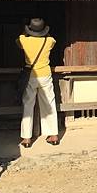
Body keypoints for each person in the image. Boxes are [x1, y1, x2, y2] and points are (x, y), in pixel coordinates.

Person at [16, 18, 59, 147]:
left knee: (28, 105)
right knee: (49, 104)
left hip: (31, 75)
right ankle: (53, 135)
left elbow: (18, 41)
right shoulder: (49, 40)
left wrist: (26, 31)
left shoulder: (24, 40)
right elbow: (52, 39)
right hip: (45, 74)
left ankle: (26, 138)